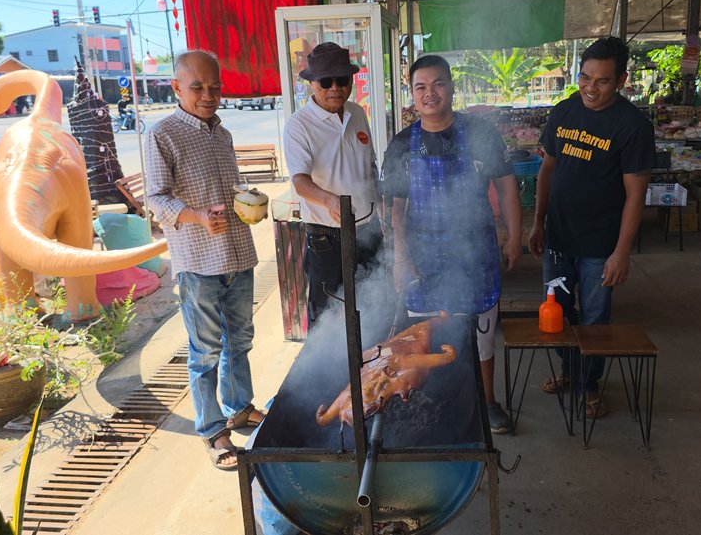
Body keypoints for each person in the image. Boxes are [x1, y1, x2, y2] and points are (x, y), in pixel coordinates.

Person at [382, 54, 522, 434]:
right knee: (424, 341)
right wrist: (400, 258)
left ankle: (487, 402)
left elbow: (507, 187)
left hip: (475, 254)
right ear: (412, 94)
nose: (430, 93)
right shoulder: (401, 145)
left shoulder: (480, 134)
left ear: (452, 87)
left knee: (482, 337)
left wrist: (514, 237)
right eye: (421, 87)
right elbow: (396, 209)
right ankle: (431, 404)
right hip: (423, 260)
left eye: (438, 84)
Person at [144, 50, 263, 471]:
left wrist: (246, 199)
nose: (208, 95)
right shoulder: (163, 134)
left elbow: (226, 187)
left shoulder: (222, 134)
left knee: (240, 339)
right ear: (176, 87)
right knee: (206, 351)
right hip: (198, 262)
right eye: (197, 87)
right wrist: (197, 216)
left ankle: (239, 407)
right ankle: (213, 430)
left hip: (238, 251)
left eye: (215, 86)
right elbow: (155, 197)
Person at [529, 36, 654, 419]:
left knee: (595, 319)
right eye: (585, 77)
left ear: (621, 80)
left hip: (601, 244)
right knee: (558, 312)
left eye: (602, 81)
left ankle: (590, 384)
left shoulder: (632, 125)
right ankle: (570, 371)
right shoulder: (564, 111)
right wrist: (538, 222)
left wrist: (622, 252)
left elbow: (636, 195)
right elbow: (548, 170)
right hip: (558, 237)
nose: (591, 88)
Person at [282, 42, 381, 325]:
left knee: (371, 304)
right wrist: (328, 199)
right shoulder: (299, 125)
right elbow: (300, 181)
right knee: (327, 313)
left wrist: (381, 201)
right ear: (312, 84)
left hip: (368, 227)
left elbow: (369, 164)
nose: (335, 88)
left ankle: (371, 352)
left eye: (342, 80)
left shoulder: (357, 112)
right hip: (328, 235)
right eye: (326, 82)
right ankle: (324, 355)